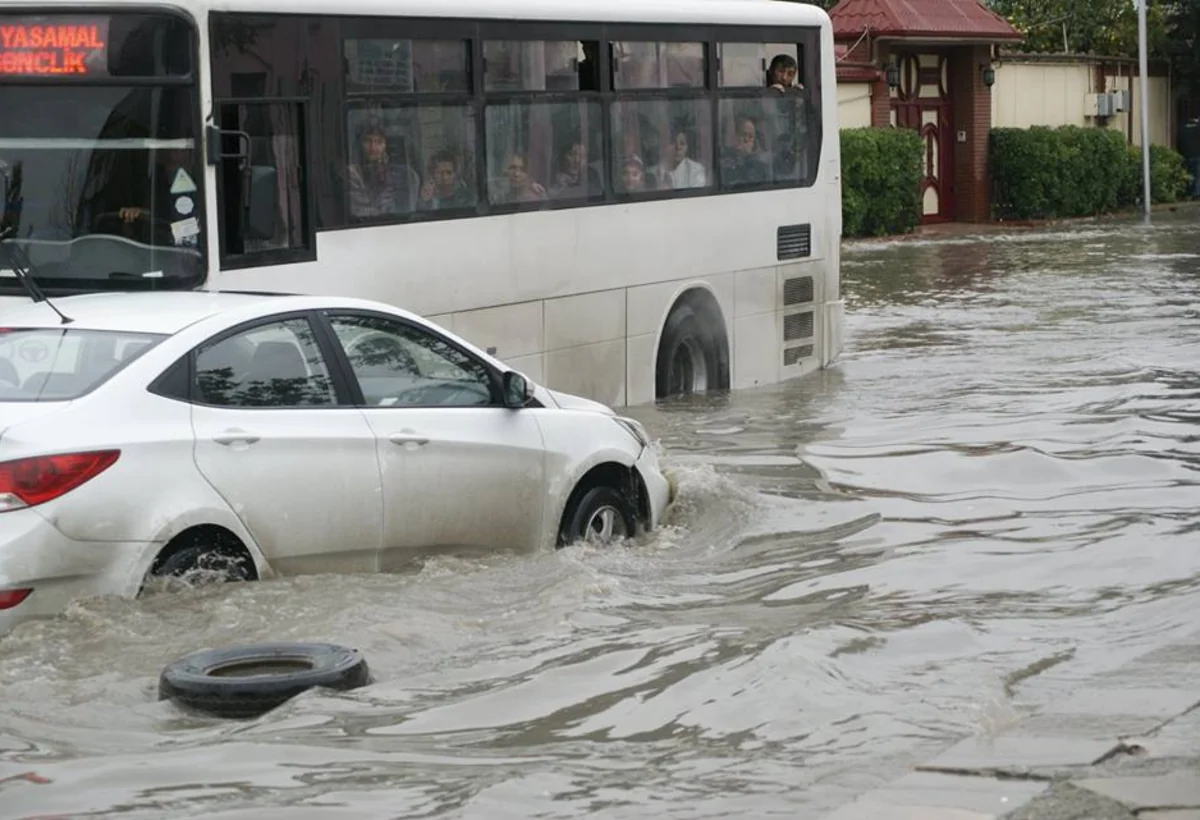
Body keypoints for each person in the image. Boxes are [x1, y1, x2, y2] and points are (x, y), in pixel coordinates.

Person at [346, 118, 416, 218]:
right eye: (368, 141)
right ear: (360, 144)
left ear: (385, 145)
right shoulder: (352, 172)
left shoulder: (399, 172)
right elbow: (360, 211)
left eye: (379, 142)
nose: (373, 147)